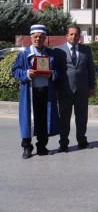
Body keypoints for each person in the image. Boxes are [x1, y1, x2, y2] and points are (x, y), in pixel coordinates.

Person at [12, 24, 60, 159]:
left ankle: (42, 146)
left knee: (44, 119)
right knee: (28, 119)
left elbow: (58, 72)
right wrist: (27, 73)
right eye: (35, 37)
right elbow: (15, 71)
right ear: (31, 37)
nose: (38, 39)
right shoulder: (24, 53)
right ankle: (27, 147)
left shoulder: (51, 54)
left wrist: (51, 74)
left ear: (45, 38)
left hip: (46, 91)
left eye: (41, 37)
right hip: (29, 92)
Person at [55, 24, 95, 152]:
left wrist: (92, 86)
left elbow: (90, 70)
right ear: (66, 36)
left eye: (76, 34)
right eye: (71, 34)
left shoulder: (86, 50)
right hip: (64, 90)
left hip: (82, 90)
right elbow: (55, 70)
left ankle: (82, 141)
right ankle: (63, 143)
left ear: (79, 36)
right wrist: (55, 89)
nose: (74, 36)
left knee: (82, 118)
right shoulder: (58, 51)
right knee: (64, 119)